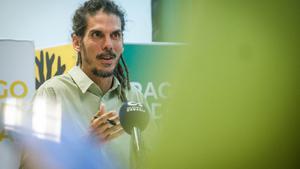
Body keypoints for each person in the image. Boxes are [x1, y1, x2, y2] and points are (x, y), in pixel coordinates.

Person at [20, 0, 152, 169]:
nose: (108, 45)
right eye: (97, 35)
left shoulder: (134, 97)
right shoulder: (51, 94)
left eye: (115, 35)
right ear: (76, 42)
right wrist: (85, 146)